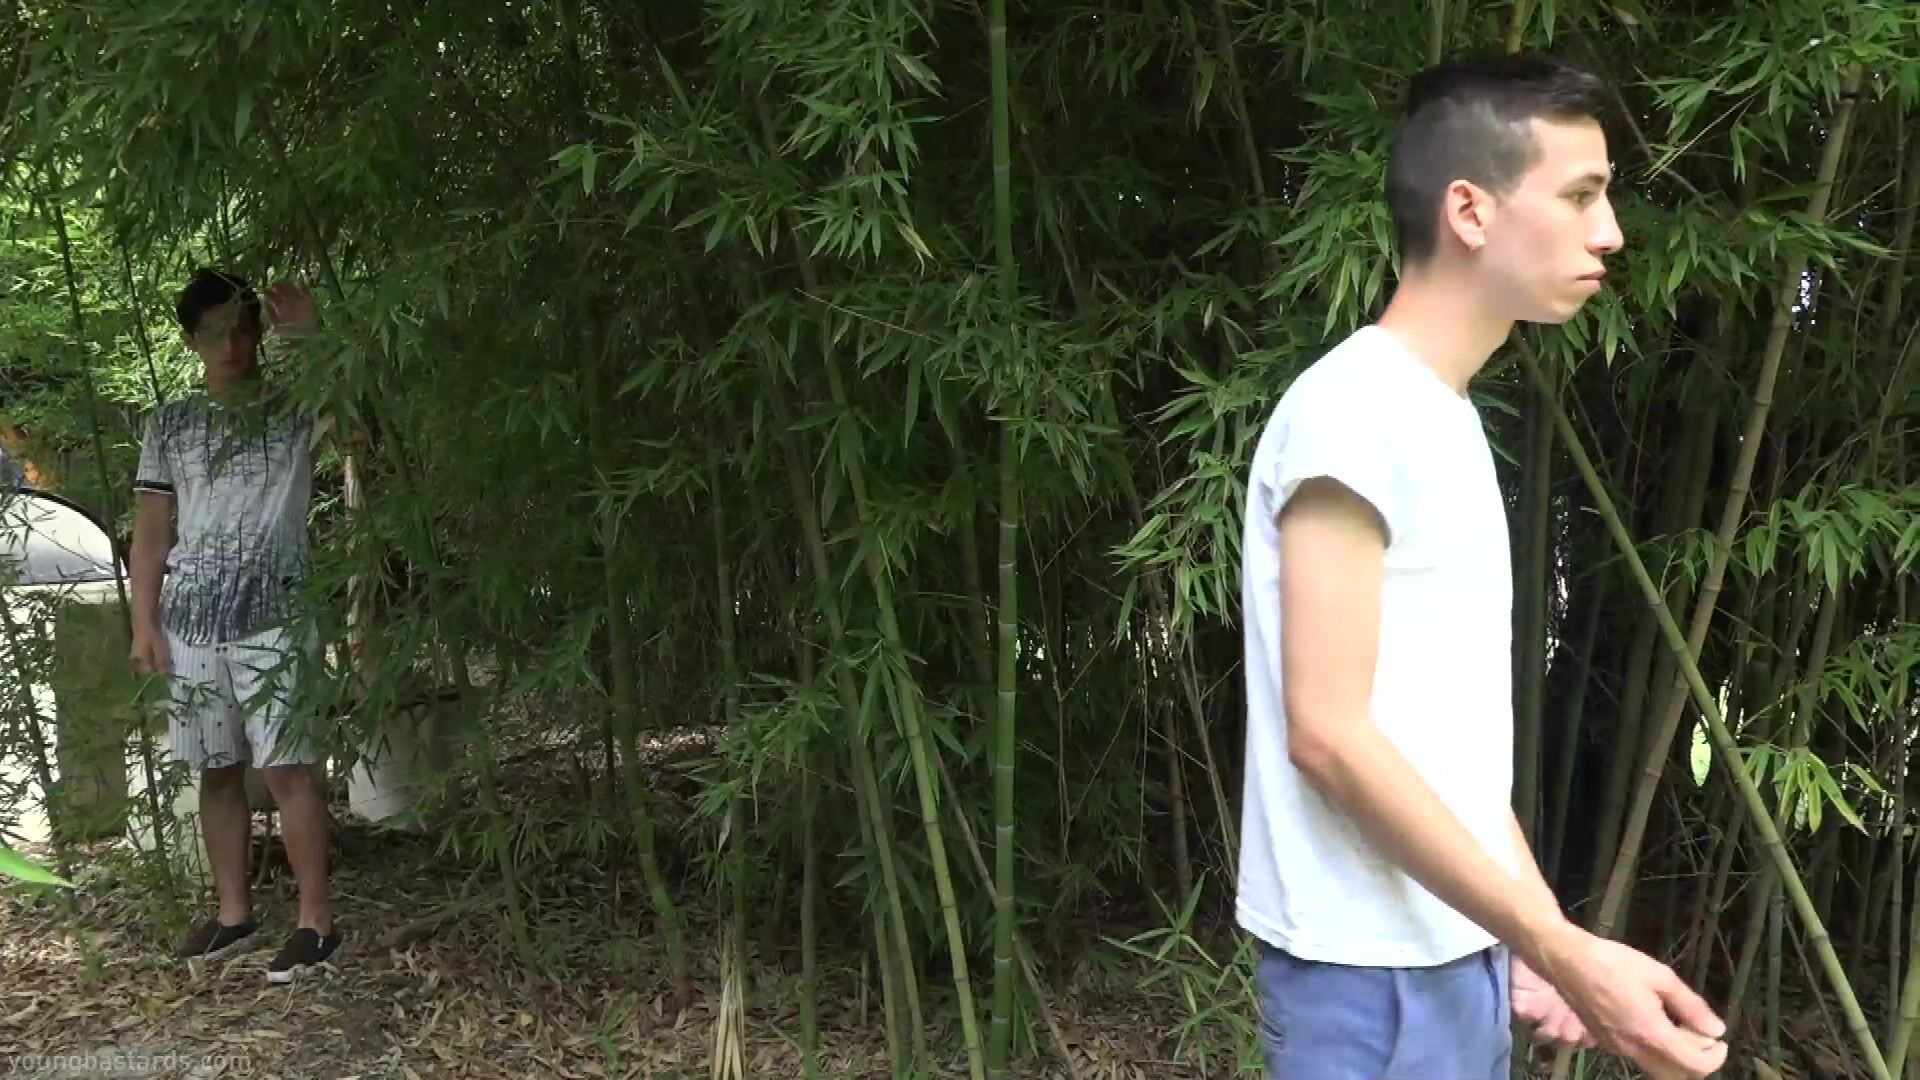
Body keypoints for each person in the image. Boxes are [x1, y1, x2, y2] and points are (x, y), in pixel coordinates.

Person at [1235, 54, 1729, 1079]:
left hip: (1454, 952)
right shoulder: (1354, 414)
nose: (1610, 233)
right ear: (1470, 210)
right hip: (1368, 984)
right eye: (1581, 195)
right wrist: (1565, 949)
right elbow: (1327, 734)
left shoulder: (1440, 415)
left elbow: (1440, 744)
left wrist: (1535, 944)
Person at [130, 268, 344, 982]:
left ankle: (317, 923)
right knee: (216, 767)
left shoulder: (294, 408)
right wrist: (144, 621)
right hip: (192, 614)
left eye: (242, 330)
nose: (231, 346)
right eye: (214, 333)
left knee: (288, 766)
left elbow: (356, 433)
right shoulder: (171, 424)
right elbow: (152, 530)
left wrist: (309, 341)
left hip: (278, 607)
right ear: (191, 340)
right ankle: (233, 914)